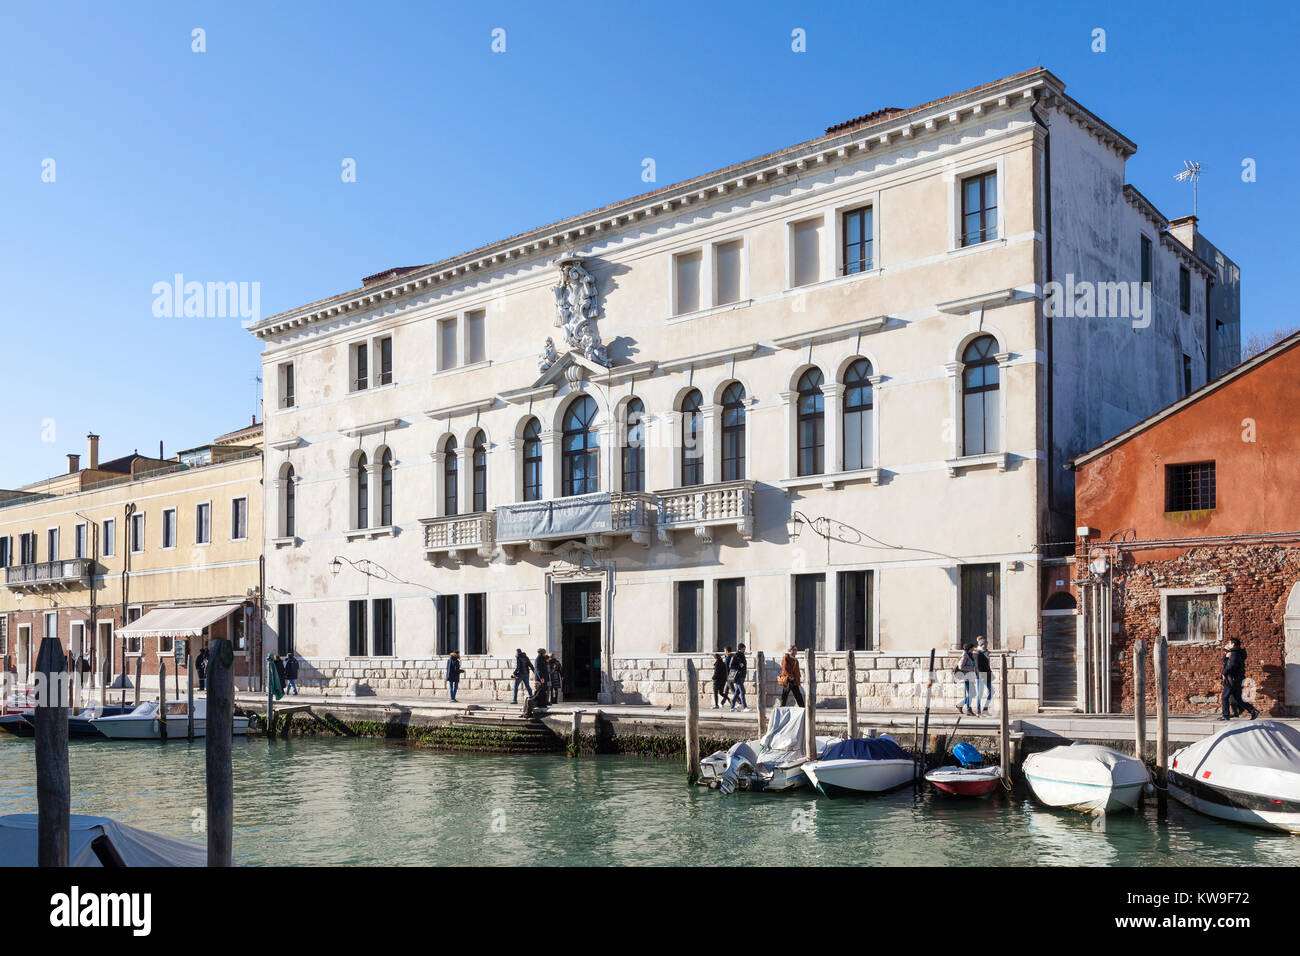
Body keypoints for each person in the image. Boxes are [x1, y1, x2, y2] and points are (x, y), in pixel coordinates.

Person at [1219, 637, 1259, 721]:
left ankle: (1225, 715)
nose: (1228, 645)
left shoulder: (1234, 653)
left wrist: (1224, 672)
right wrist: (1226, 656)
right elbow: (1225, 661)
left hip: (1232, 679)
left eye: (1229, 643)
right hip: (1237, 678)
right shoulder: (1237, 652)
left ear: (1233, 644)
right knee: (1238, 698)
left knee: (1224, 697)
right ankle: (1253, 711)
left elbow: (1232, 665)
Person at [956, 643, 978, 716]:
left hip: (970, 676)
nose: (973, 649)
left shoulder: (970, 655)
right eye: (972, 648)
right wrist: (971, 668)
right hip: (967, 677)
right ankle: (968, 710)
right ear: (970, 648)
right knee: (971, 694)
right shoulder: (965, 655)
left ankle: (960, 705)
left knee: (972, 694)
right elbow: (960, 666)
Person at [974, 637, 992, 715]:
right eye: (985, 644)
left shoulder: (985, 652)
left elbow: (986, 664)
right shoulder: (977, 653)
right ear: (982, 644)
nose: (987, 645)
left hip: (987, 674)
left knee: (992, 692)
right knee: (980, 694)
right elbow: (977, 666)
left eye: (987, 643)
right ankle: (978, 710)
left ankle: (985, 708)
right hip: (981, 675)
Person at [729, 644, 748, 711]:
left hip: (742, 676)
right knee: (742, 691)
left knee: (737, 692)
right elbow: (731, 666)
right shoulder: (736, 656)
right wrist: (739, 666)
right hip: (738, 677)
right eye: (743, 649)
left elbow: (744, 666)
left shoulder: (742, 655)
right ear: (740, 649)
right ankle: (744, 707)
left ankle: (732, 706)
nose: (744, 650)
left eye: (744, 649)